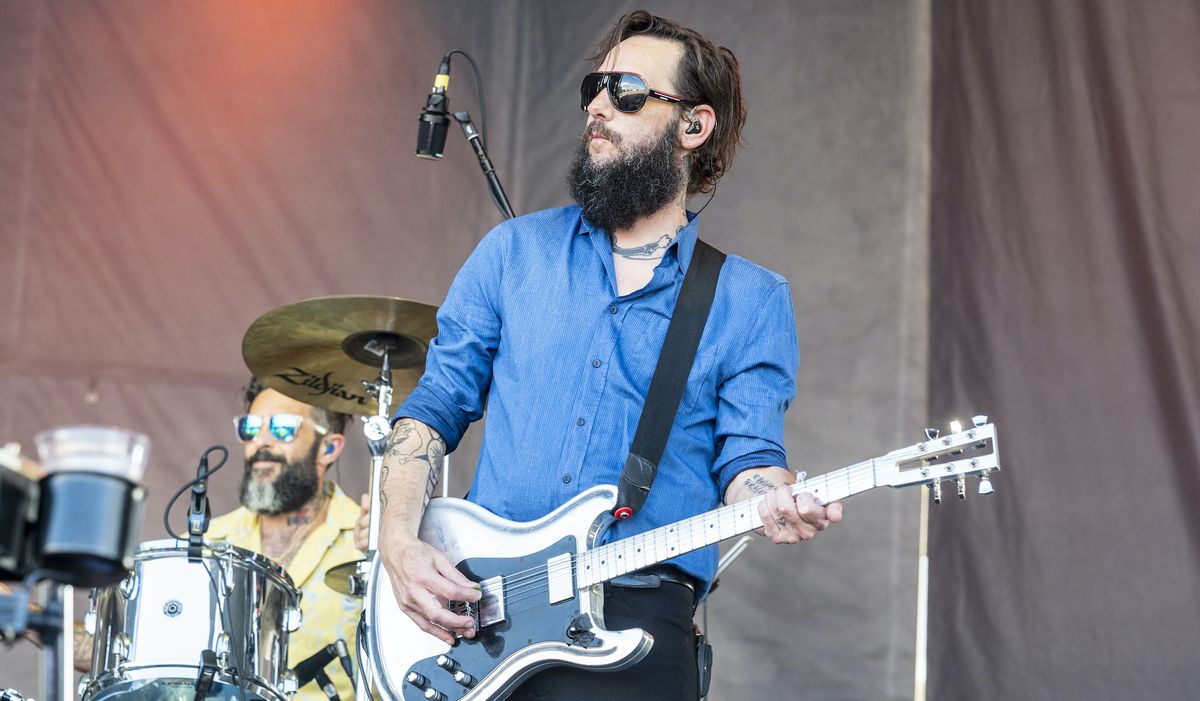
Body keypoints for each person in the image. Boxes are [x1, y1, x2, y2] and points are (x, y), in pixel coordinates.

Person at [376, 10, 843, 700]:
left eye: (627, 92)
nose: (597, 104)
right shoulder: (513, 254)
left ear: (693, 126)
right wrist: (396, 540)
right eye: (595, 87)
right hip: (484, 624)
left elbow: (748, 461)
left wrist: (777, 499)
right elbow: (433, 409)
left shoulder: (749, 299)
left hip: (639, 627)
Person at [207, 378, 364, 701]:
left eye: (281, 428)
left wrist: (390, 542)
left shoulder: (370, 543)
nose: (261, 442)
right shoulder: (206, 544)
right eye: (251, 428)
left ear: (329, 447)